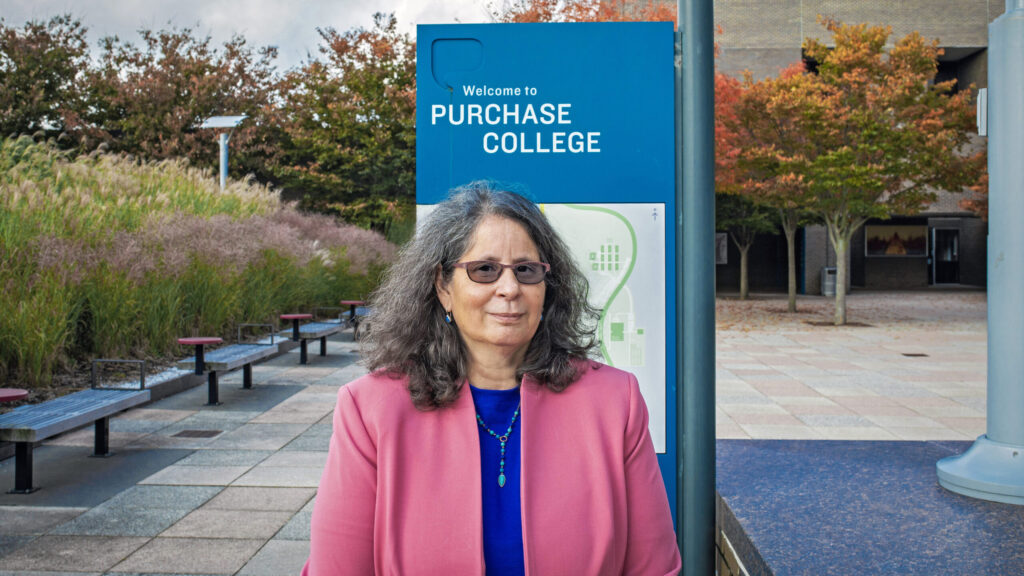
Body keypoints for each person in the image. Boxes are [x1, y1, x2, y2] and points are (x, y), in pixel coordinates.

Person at [303, 183, 680, 575]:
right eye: (484, 270)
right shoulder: (370, 411)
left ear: (546, 288)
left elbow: (654, 568)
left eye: (526, 270)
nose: (510, 288)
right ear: (443, 287)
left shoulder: (615, 402)